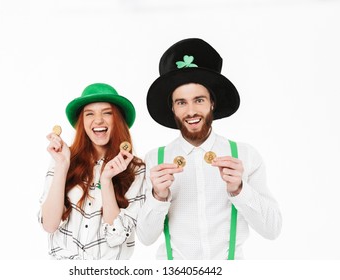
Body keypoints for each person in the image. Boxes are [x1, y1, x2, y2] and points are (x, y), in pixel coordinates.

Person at [136, 38, 282, 259]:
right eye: (181, 102)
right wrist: (158, 195)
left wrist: (239, 189)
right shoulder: (154, 159)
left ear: (212, 103)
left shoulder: (245, 155)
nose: (191, 111)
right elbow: (145, 238)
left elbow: (272, 230)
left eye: (199, 100)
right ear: (173, 109)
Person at [38, 83, 145, 260]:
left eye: (107, 113)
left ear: (118, 120)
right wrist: (63, 166)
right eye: (90, 114)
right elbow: (49, 225)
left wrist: (106, 181)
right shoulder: (62, 158)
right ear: (82, 122)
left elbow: (117, 237)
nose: (98, 120)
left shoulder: (137, 170)